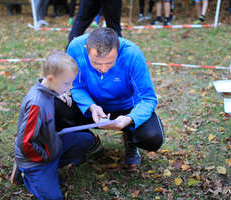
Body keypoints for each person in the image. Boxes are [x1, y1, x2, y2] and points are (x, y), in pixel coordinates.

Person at [58, 28, 164, 169]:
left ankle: (130, 139)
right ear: (86, 49)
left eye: (109, 62)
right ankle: (86, 142)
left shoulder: (132, 54)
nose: (103, 69)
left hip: (125, 108)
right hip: (91, 105)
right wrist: (91, 106)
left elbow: (148, 98)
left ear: (118, 50)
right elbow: (75, 86)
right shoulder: (75, 47)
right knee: (56, 108)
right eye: (96, 63)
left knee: (152, 137)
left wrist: (130, 119)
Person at [10, 51, 101, 199]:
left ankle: (50, 171)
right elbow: (25, 143)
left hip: (51, 145)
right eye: (67, 83)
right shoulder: (36, 104)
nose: (70, 87)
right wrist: (45, 158)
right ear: (51, 79)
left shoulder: (50, 89)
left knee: (87, 140)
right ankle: (27, 173)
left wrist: (58, 93)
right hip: (36, 160)